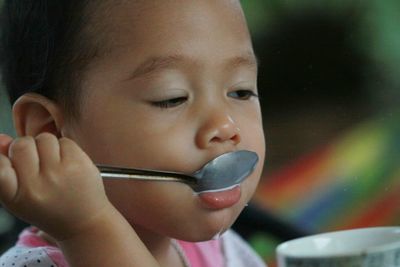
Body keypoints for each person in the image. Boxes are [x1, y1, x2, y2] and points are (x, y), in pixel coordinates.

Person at [0, 0, 266, 266]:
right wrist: (87, 228)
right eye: (172, 98)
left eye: (240, 91)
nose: (225, 126)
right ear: (51, 131)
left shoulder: (220, 249)